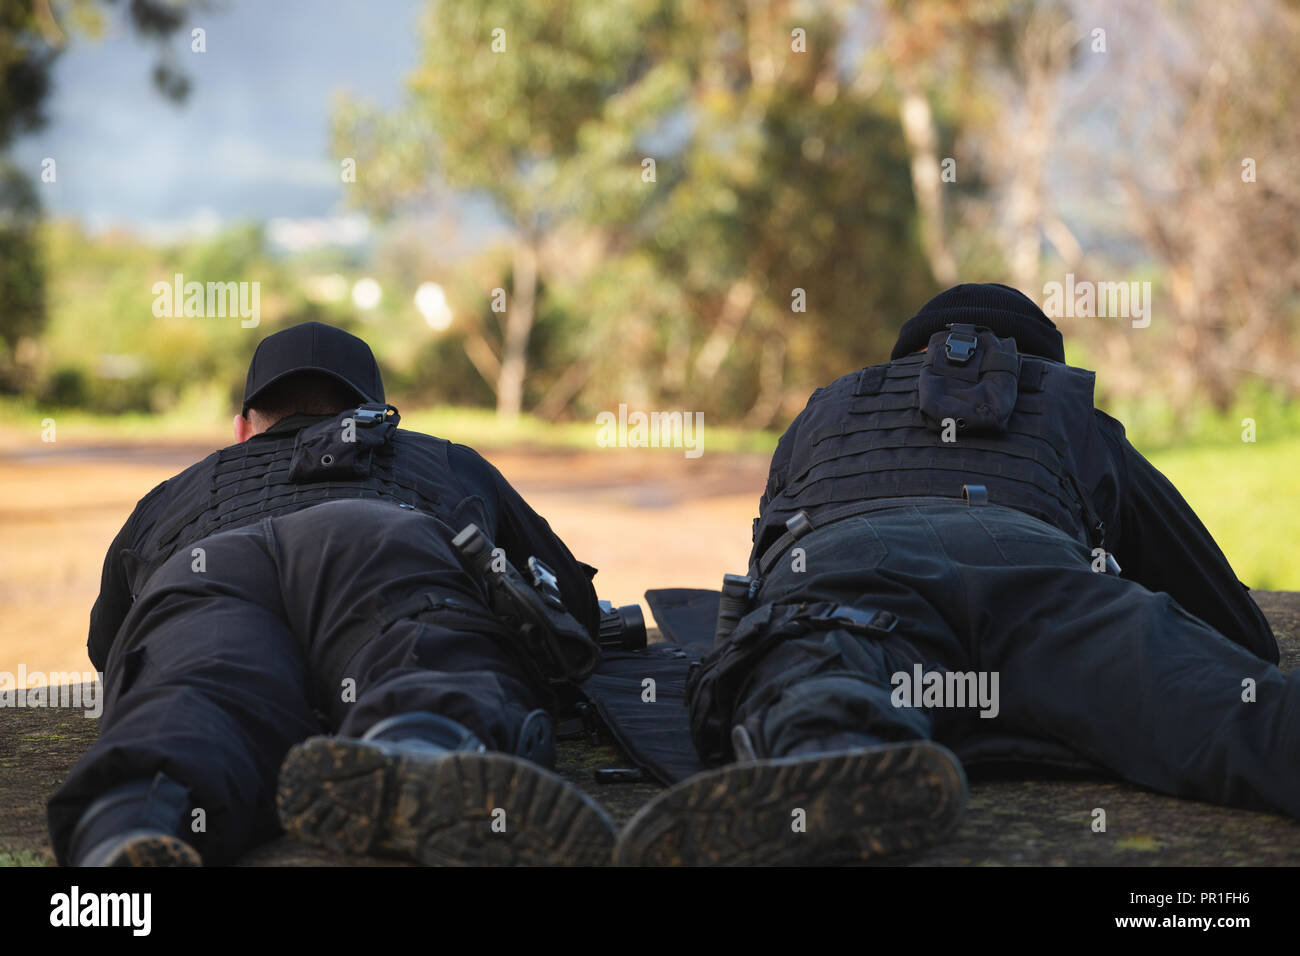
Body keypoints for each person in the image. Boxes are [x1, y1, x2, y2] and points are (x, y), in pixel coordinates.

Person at [617, 283, 1285, 867]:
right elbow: (1230, 619)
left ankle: (831, 748)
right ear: (1034, 365)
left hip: (852, 577)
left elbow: (768, 564)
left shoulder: (825, 412)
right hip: (1041, 578)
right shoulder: (1071, 412)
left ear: (904, 355)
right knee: (1239, 713)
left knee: (819, 676)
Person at [49, 321, 616, 867]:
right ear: (375, 415)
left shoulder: (175, 490)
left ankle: (131, 823)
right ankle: (420, 748)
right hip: (377, 538)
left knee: (191, 693)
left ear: (244, 427)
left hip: (210, 568)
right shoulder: (442, 457)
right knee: (421, 655)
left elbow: (109, 649)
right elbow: (571, 610)